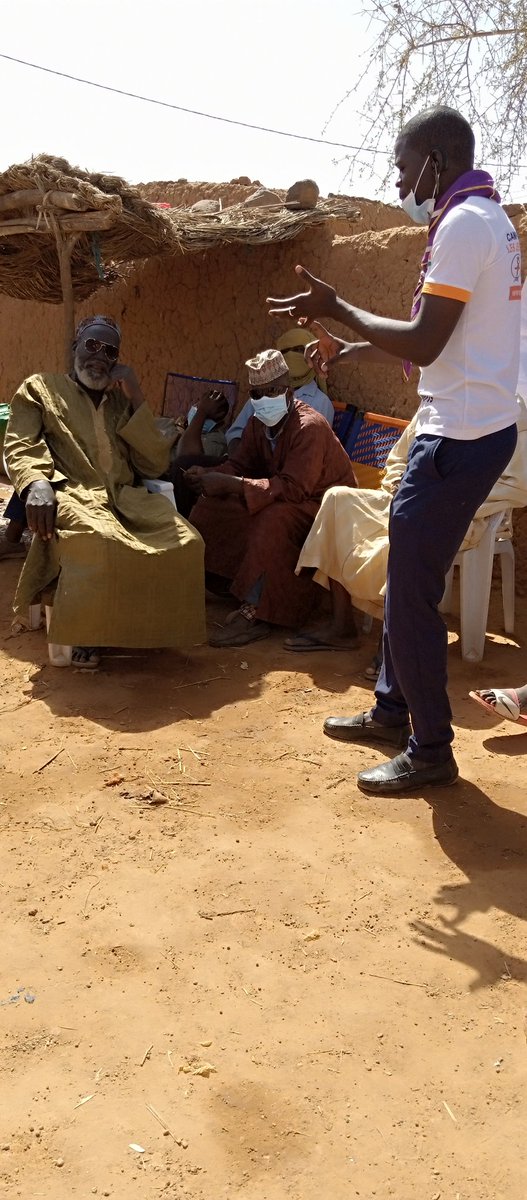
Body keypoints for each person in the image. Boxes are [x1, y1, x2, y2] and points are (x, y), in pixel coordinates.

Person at [268, 105, 522, 794]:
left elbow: (426, 341)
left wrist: (339, 307)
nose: (398, 180)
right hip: (472, 425)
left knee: (408, 590)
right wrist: (357, 344)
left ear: (436, 160)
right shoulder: (486, 220)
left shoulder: (464, 227)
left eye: (404, 167)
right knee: (408, 572)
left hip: (459, 440)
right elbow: (448, 339)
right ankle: (390, 707)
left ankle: (430, 749)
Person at [4, 315, 205, 667]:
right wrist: (36, 481)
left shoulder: (119, 402)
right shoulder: (41, 388)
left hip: (126, 497)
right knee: (98, 541)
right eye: (92, 345)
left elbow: (153, 464)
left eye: (109, 351)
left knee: (188, 542)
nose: (99, 356)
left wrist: (136, 395)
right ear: (75, 348)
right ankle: (87, 632)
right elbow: (21, 443)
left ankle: (150, 630)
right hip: (75, 495)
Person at [285, 397, 527, 658]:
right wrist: (399, 485)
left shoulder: (509, 415)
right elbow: (399, 458)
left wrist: (448, 499)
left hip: (462, 515)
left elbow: (517, 487)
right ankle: (342, 626)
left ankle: (392, 648)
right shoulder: (439, 402)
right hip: (408, 500)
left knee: (408, 535)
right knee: (337, 500)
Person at [186, 348, 356, 647]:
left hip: (325, 507)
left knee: (274, 518)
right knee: (214, 505)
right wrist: (210, 476)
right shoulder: (258, 424)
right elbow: (240, 465)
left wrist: (231, 483)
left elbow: (294, 489)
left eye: (272, 391)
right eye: (257, 394)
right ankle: (227, 584)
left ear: (288, 392)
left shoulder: (309, 427)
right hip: (288, 496)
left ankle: (257, 611)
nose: (264, 401)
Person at [225, 327, 334, 454]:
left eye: (299, 350)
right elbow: (235, 434)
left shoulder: (320, 402)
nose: (291, 356)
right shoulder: (260, 395)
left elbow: (310, 451)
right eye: (285, 351)